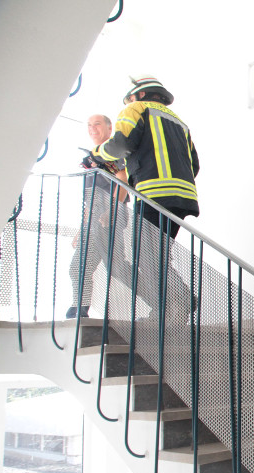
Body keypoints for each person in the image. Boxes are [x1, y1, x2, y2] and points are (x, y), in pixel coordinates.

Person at [92, 76, 199, 238]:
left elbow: (121, 144)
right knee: (159, 252)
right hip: (184, 197)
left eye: (130, 98)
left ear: (140, 94)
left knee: (146, 254)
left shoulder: (136, 108)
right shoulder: (179, 121)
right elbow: (194, 165)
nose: (129, 103)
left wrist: (96, 154)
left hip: (154, 194)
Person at [67, 114, 130, 319]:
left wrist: (111, 210)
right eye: (89, 125)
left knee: (80, 267)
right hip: (94, 219)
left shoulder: (113, 151)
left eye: (97, 124)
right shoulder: (91, 161)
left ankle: (79, 309)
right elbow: (90, 200)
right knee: (118, 269)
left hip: (108, 217)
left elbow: (123, 178)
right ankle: (80, 307)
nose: (92, 128)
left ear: (109, 128)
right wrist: (81, 229)